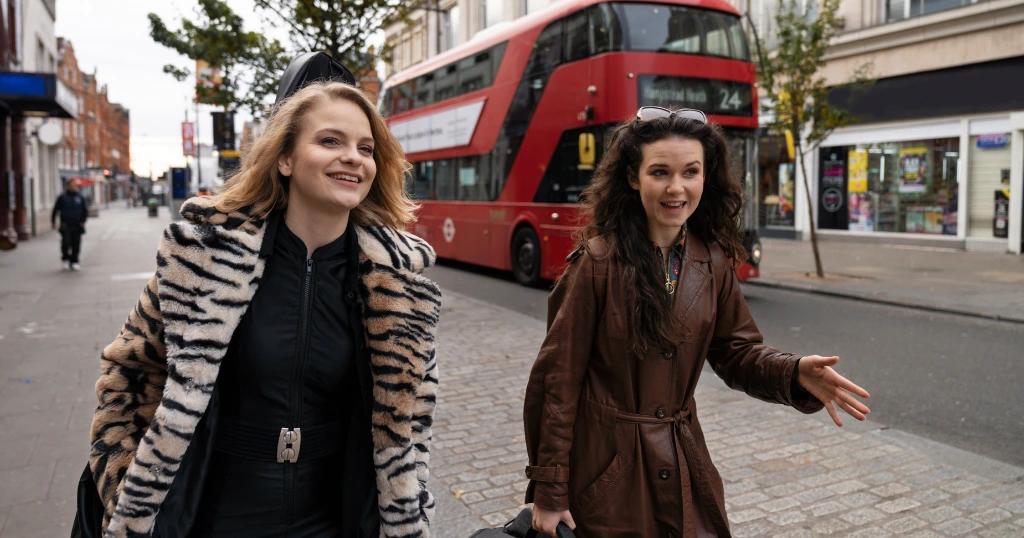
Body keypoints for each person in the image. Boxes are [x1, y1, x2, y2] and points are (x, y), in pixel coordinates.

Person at [73, 76, 441, 537]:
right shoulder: (205, 261)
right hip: (214, 515)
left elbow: (412, 421)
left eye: (366, 148)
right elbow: (126, 373)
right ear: (285, 158)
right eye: (330, 141)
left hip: (335, 518)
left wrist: (407, 506)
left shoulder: (398, 289)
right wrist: (129, 490)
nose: (353, 157)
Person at [523, 107, 871, 538]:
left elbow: (736, 351)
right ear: (633, 179)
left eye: (691, 171)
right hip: (607, 475)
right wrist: (550, 490)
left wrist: (793, 372)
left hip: (684, 463)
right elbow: (556, 383)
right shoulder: (597, 264)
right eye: (660, 172)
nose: (676, 188)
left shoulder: (713, 261)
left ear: (707, 177)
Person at [52, 178, 88, 270]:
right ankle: (66, 259)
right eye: (72, 185)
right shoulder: (62, 197)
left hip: (77, 225)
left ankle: (75, 261)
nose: (74, 187)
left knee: (76, 244)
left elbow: (85, 210)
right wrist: (53, 222)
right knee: (66, 243)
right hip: (66, 224)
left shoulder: (80, 197)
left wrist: (83, 221)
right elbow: (55, 210)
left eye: (75, 185)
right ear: (68, 186)